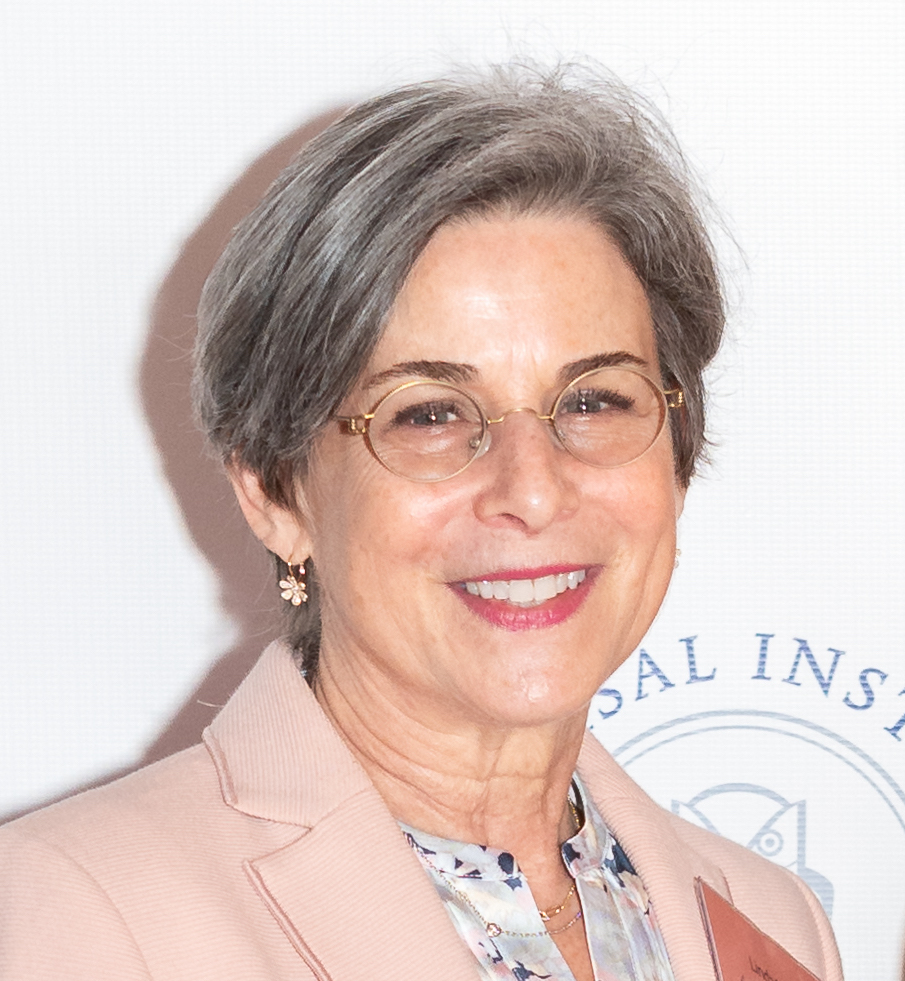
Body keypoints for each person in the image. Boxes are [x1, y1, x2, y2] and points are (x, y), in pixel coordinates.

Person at [0, 65, 843, 981]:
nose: (533, 490)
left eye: (593, 399)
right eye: (429, 413)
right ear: (274, 492)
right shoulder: (78, 915)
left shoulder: (773, 917)